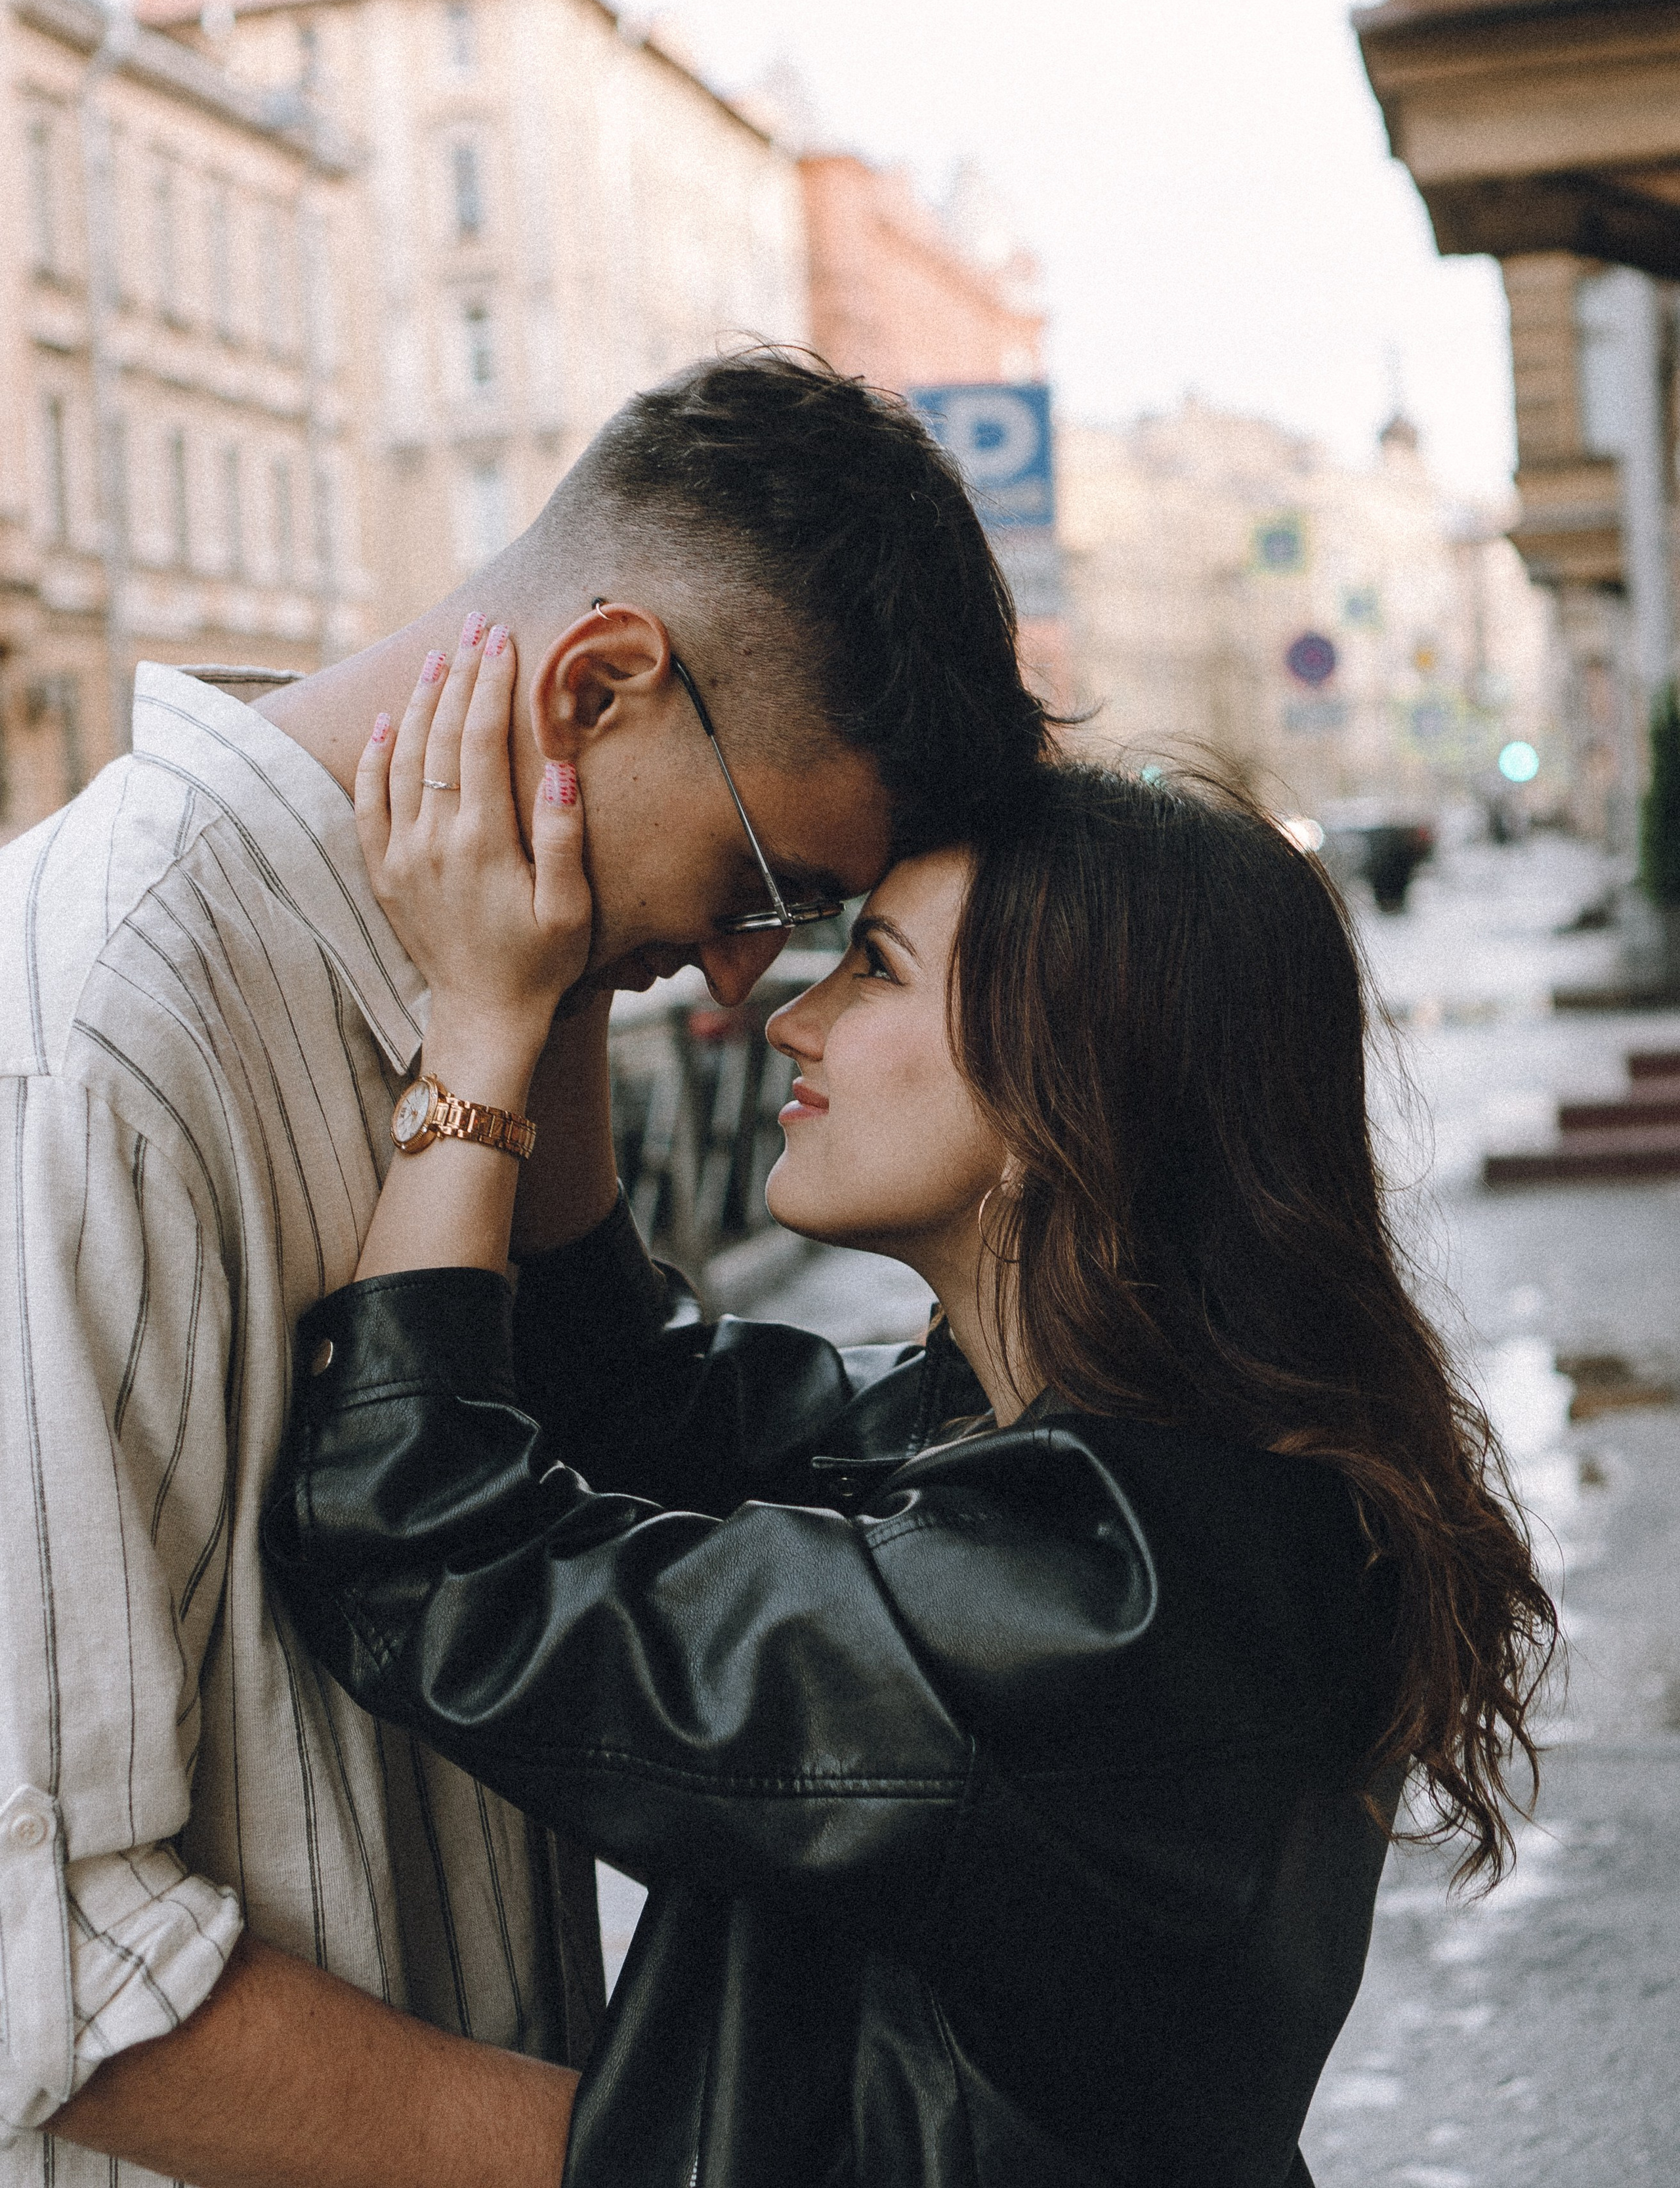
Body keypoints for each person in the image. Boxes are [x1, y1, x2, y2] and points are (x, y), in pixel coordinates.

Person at [264, 641, 1556, 2187]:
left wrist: (476, 1038)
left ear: (1061, 1078)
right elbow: (632, 1407)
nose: (787, 1023)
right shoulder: (1120, 1462)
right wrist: (589, 956)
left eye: (872, 966)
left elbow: (421, 1552)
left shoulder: (1092, 1604)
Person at [0, 350, 1049, 2188]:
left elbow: (604, 1435)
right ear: (598, 684)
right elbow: (41, 1964)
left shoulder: (452, 980)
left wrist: (538, 1006)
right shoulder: (102, 1040)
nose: (743, 980)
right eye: (761, 886)